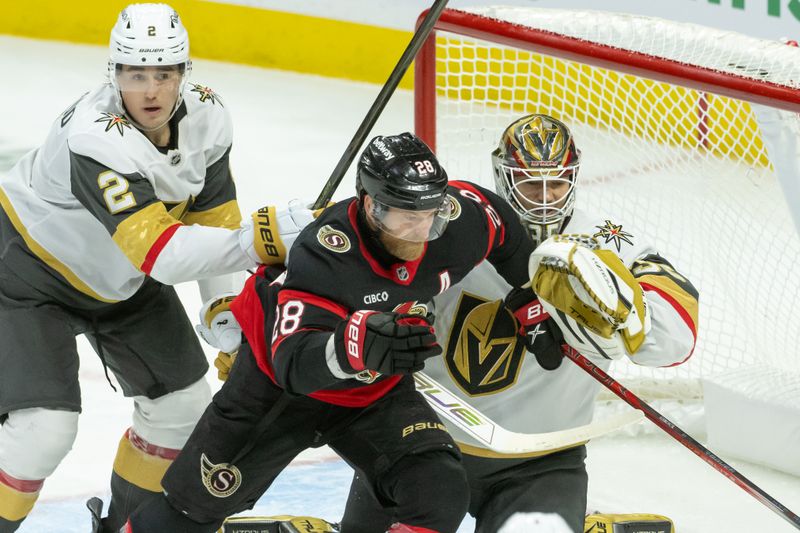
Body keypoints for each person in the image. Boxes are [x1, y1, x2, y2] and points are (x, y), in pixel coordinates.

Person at [124, 132, 564, 533]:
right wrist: (354, 346)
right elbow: (291, 362)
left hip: (372, 394)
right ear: (372, 207)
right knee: (184, 515)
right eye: (406, 220)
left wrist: (527, 297)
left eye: (432, 216)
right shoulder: (325, 255)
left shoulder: (452, 225)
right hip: (276, 392)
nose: (422, 234)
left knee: (439, 492)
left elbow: (501, 224)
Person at [0, 4, 311, 532]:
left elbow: (213, 219)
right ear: (114, 74)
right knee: (42, 431)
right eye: (135, 74)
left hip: (122, 282)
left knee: (181, 410)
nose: (150, 91)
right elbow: (164, 255)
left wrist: (227, 312)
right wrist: (269, 236)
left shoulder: (209, 116)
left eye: (164, 74)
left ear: (184, 74)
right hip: (28, 274)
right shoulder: (95, 136)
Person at [340, 115, 699, 533]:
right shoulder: (456, 226)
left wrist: (614, 317)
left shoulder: (609, 246)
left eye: (557, 183)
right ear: (503, 177)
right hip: (421, 440)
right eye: (530, 184)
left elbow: (677, 340)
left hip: (543, 460)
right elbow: (358, 267)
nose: (545, 198)